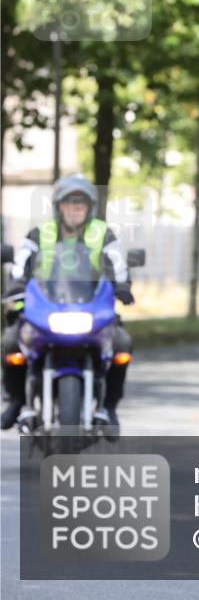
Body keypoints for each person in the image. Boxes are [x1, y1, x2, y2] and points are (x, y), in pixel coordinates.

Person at [1, 174, 135, 430]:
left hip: (91, 308)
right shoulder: (39, 234)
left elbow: (118, 264)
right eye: (69, 203)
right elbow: (20, 267)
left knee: (122, 344)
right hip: (46, 307)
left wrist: (123, 286)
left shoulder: (103, 234)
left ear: (89, 208)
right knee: (10, 342)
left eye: (80, 204)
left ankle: (109, 407)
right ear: (58, 206)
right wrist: (16, 286)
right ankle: (17, 402)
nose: (74, 209)